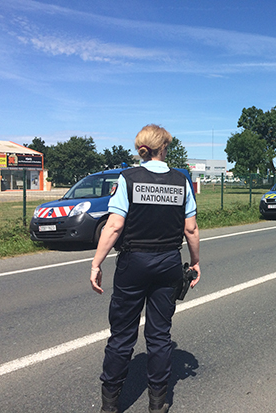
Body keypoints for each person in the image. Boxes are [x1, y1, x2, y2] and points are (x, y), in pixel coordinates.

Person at [90, 124, 200, 413]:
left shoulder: (128, 179)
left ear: (143, 148)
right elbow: (191, 229)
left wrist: (96, 263)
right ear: (164, 148)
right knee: (160, 335)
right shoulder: (181, 181)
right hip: (168, 263)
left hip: (133, 262)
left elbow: (114, 226)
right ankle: (158, 403)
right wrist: (196, 261)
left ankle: (110, 404)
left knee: (122, 335)